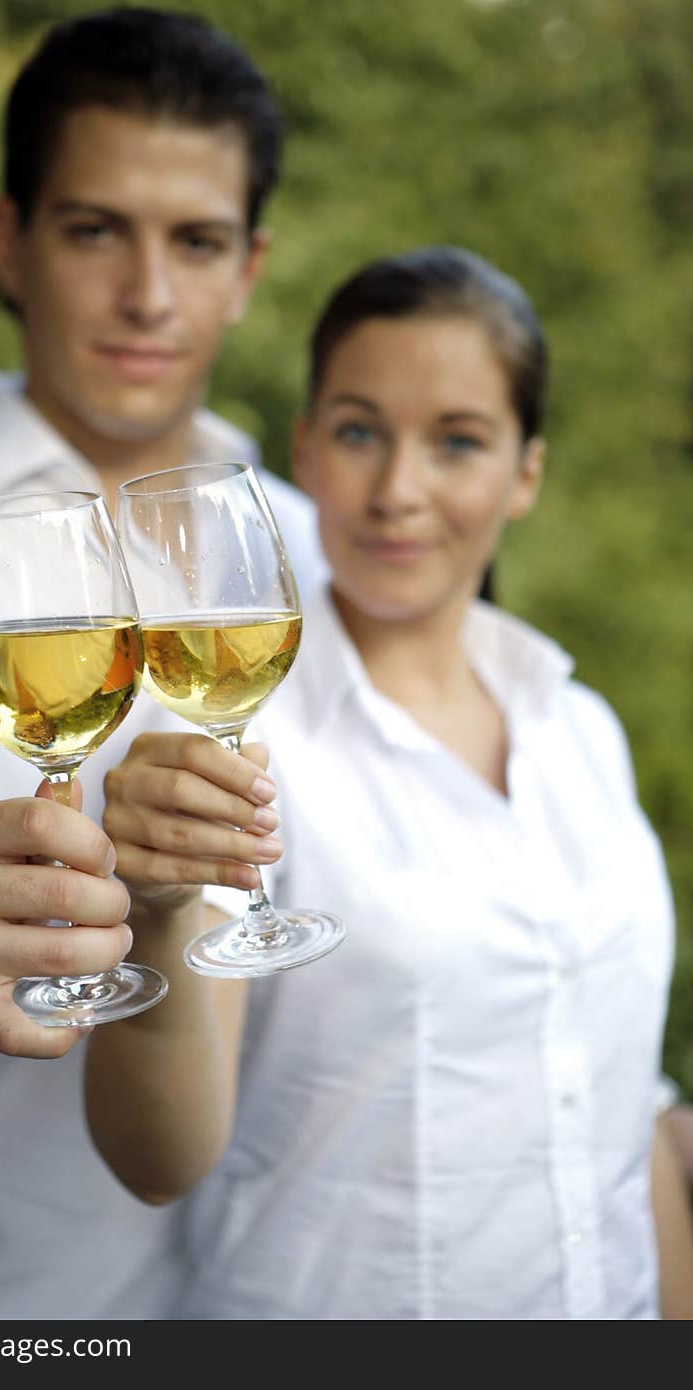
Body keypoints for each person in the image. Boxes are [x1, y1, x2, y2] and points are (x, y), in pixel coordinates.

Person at [0, 7, 325, 1320]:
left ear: (250, 267)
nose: (149, 294)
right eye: (97, 230)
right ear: (10, 244)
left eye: (196, 240)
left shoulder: (304, 552)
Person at [88, 246, 693, 1318]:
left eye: (456, 442)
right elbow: (159, 1154)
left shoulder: (578, 728)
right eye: (361, 432)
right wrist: (154, 909)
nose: (397, 491)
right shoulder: (238, 739)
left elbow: (614, 1100)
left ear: (525, 474)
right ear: (306, 451)